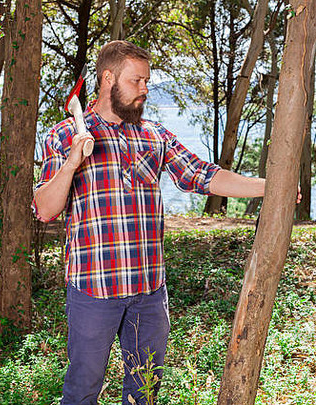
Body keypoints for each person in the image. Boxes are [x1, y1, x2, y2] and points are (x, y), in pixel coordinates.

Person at [33, 40, 274, 405]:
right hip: (93, 293)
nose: (145, 89)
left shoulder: (154, 135)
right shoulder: (65, 135)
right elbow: (45, 208)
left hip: (149, 293)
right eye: (137, 81)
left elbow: (204, 175)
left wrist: (270, 187)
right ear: (107, 78)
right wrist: (71, 162)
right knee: (82, 390)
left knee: (145, 392)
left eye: (147, 81)